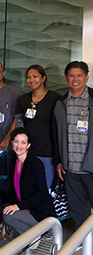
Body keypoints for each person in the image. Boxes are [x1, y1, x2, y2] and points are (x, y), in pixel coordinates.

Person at [53, 61, 93, 229]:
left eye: (79, 75)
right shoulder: (60, 102)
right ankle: (82, 240)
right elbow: (55, 134)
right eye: (71, 75)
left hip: (90, 165)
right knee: (77, 208)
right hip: (70, 167)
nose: (75, 79)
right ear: (66, 78)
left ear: (86, 77)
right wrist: (59, 161)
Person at [3, 128, 56, 237]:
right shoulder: (14, 161)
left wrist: (18, 206)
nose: (19, 145)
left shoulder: (35, 163)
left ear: (28, 145)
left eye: (23, 142)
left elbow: (42, 193)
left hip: (40, 212)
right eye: (16, 141)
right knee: (3, 210)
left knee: (8, 216)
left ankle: (35, 236)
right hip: (27, 208)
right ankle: (34, 235)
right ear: (12, 143)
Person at [15, 65, 60, 188]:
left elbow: (58, 127)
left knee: (46, 188)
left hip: (47, 151)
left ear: (43, 78)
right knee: (29, 186)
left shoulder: (54, 98)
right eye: (28, 77)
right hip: (27, 151)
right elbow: (19, 125)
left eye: (35, 76)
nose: (31, 80)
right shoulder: (23, 99)